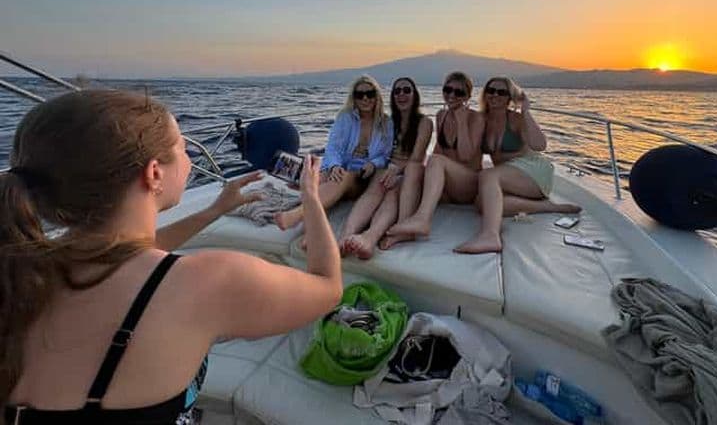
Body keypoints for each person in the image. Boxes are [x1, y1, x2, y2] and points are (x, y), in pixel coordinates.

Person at [2, 90, 342, 424]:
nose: (190, 157)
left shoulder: (19, 270)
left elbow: (126, 257)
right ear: (153, 173)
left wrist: (214, 211)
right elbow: (328, 287)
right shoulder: (210, 281)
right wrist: (311, 199)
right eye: (181, 146)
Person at [456, 76, 580, 254]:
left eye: (501, 92)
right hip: (507, 175)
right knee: (481, 204)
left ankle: (490, 236)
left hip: (533, 169)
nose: (494, 95)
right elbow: (469, 153)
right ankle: (547, 207)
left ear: (510, 97)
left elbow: (540, 145)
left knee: (488, 176)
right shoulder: (480, 120)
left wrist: (525, 111)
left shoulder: (516, 119)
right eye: (490, 90)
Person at [274, 75, 393, 232]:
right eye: (360, 95)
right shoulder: (346, 118)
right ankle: (308, 229)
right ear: (354, 98)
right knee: (324, 177)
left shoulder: (386, 123)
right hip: (343, 169)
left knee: (337, 178)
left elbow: (386, 155)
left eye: (370, 94)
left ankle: (295, 215)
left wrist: (373, 163)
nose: (365, 98)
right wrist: (335, 165)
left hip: (365, 178)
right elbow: (333, 148)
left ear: (377, 96)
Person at [380, 71, 485, 249]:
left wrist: (461, 122)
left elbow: (467, 155)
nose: (452, 95)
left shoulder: (476, 118)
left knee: (434, 161)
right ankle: (405, 228)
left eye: (458, 92)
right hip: (447, 187)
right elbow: (439, 151)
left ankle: (422, 219)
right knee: (414, 168)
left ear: (467, 96)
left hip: (469, 185)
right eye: (448, 89)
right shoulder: (441, 115)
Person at [340, 77, 434, 259]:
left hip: (410, 172)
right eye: (397, 91)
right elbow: (380, 152)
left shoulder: (424, 123)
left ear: (415, 95)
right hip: (387, 169)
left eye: (407, 90)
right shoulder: (389, 122)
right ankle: (346, 235)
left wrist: (397, 170)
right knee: (375, 189)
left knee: (391, 192)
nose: (401, 95)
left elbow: (416, 158)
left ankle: (370, 237)